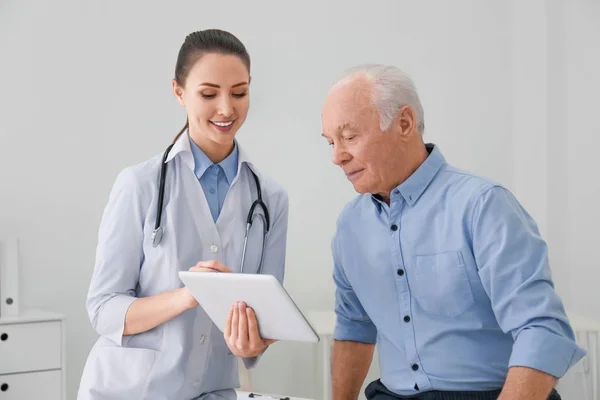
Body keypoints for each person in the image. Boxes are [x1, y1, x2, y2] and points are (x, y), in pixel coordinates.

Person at [320, 64, 585, 400]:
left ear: (404, 123)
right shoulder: (350, 225)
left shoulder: (483, 206)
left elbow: (543, 330)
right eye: (330, 142)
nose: (337, 157)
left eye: (349, 137)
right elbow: (354, 328)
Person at [78, 29, 289, 400]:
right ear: (179, 92)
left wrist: (251, 343)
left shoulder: (270, 199)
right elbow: (104, 309)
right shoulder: (139, 185)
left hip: (213, 390)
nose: (227, 108)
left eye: (239, 92)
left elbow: (261, 325)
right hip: (130, 391)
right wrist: (189, 295)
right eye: (209, 94)